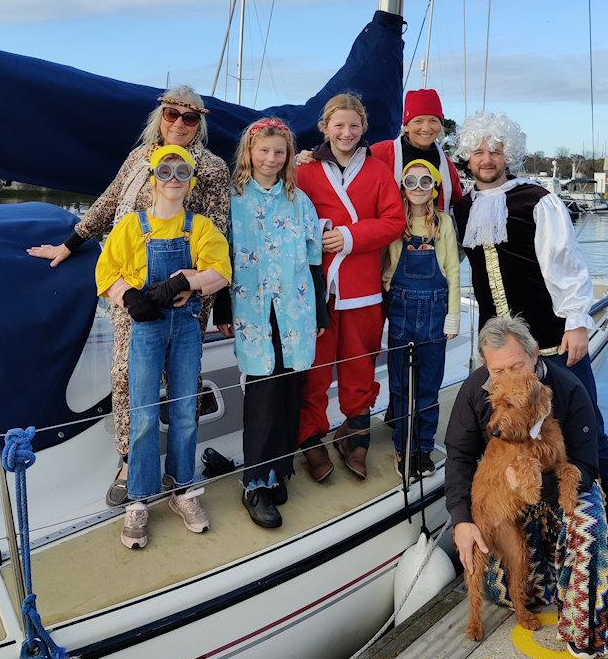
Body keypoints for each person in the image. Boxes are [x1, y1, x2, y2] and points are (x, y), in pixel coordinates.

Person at [451, 110, 608, 588]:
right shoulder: (463, 208)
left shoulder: (537, 200)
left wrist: (578, 321)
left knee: (589, 437)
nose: (487, 158)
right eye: (479, 150)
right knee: (510, 444)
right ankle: (537, 550)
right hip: (501, 358)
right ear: (467, 156)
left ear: (508, 155)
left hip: (552, 347)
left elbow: (566, 263)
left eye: (496, 150)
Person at [27, 87, 230, 507]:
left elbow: (220, 231)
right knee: (126, 375)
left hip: (183, 290)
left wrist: (195, 288)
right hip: (130, 289)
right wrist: (69, 244)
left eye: (189, 118)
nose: (178, 123)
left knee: (181, 383)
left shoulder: (210, 169)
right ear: (160, 117)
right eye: (171, 114)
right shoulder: (139, 158)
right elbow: (106, 205)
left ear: (200, 124)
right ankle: (129, 462)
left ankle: (180, 472)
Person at [446, 314, 608, 659]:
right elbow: (459, 456)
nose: (507, 377)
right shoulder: (475, 390)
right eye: (497, 371)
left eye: (516, 366)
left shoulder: (569, 389)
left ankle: (584, 626)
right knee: (500, 591)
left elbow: (588, 468)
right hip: (510, 501)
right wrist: (461, 519)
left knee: (587, 525)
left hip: (557, 487)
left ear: (534, 357)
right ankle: (555, 579)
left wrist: (543, 485)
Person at [95, 145, 231, 549]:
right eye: (166, 170)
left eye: (182, 171)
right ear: (153, 177)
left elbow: (221, 270)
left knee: (185, 409)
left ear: (191, 180)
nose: (174, 178)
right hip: (146, 327)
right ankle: (138, 497)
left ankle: (183, 488)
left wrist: (186, 281)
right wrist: (129, 298)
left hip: (186, 326)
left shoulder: (201, 226)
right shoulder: (132, 226)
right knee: (143, 412)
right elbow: (106, 270)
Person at [214, 118, 329, 529]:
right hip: (253, 311)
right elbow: (220, 259)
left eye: (279, 152)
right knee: (262, 393)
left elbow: (314, 260)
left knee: (290, 388)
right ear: (249, 152)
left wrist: (320, 309)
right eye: (263, 151)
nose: (271, 158)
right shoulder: (233, 200)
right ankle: (254, 483)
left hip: (295, 311)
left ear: (287, 156)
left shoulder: (299, 201)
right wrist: (222, 310)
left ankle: (279, 469)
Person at [295, 93, 406, 482]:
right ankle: (310, 435)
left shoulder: (377, 172)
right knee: (316, 367)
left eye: (354, 126)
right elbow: (287, 217)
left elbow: (394, 221)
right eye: (338, 125)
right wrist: (321, 231)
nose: (346, 132)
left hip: (363, 287)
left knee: (361, 362)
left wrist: (349, 235)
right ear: (324, 127)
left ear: (364, 130)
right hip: (319, 290)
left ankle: (355, 431)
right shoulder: (304, 172)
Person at [383, 159, 461, 479]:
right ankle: (403, 446)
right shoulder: (395, 222)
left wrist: (453, 315)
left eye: (425, 182)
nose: (417, 189)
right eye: (411, 182)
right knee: (401, 387)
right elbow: (387, 268)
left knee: (428, 388)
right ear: (402, 187)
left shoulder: (442, 223)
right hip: (401, 311)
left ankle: (423, 448)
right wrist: (388, 290)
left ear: (434, 188)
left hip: (434, 313)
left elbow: (454, 272)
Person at [371, 88, 464, 212]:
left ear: (440, 125)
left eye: (433, 121)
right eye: (418, 121)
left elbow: (457, 201)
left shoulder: (447, 166)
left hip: (433, 229)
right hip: (388, 229)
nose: (426, 128)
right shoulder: (379, 153)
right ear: (406, 125)